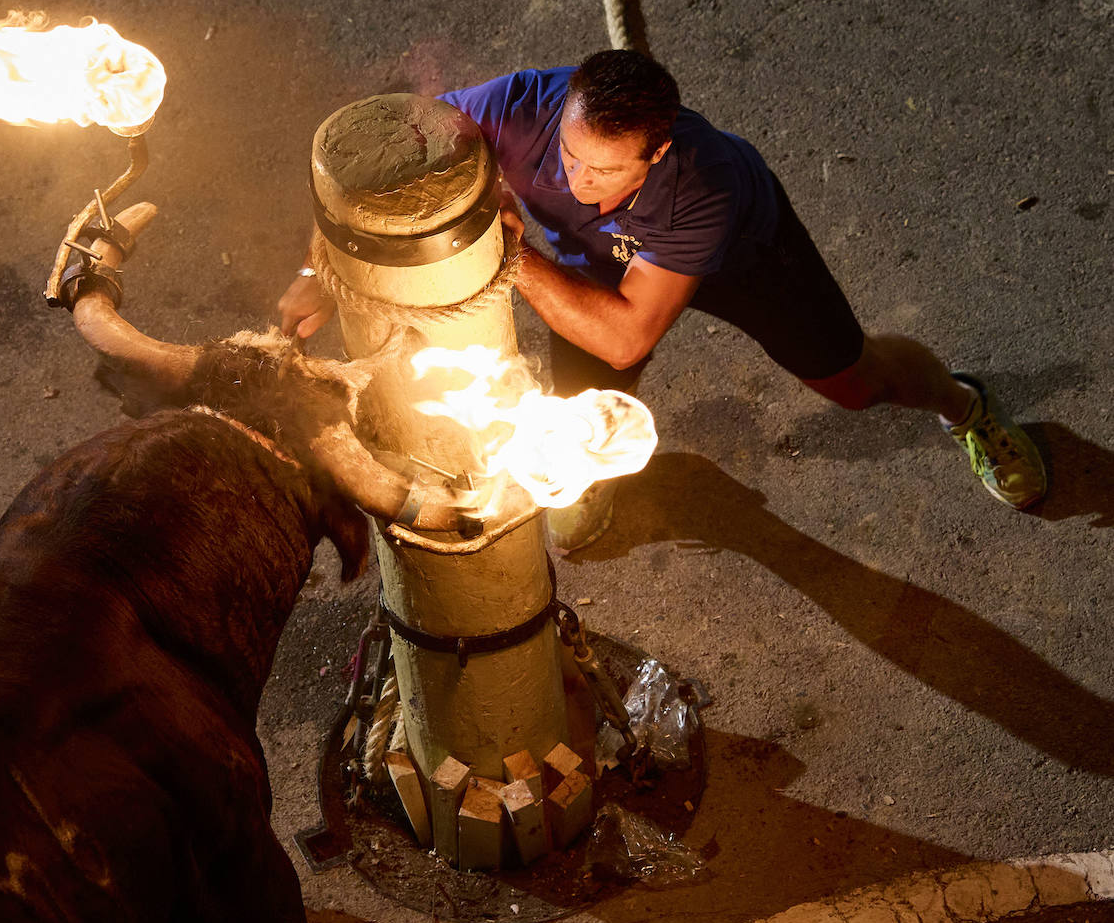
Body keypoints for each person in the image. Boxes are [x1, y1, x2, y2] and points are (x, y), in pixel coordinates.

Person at [279, 50, 1046, 551]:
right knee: (581, 414)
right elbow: (394, 153)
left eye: (604, 172)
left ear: (657, 150)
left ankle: (964, 405)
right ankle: (596, 479)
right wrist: (324, 266)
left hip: (747, 263)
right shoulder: (519, 107)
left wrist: (510, 258)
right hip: (596, 263)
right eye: (570, 157)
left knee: (853, 382)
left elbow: (625, 338)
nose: (577, 181)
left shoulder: (701, 189)